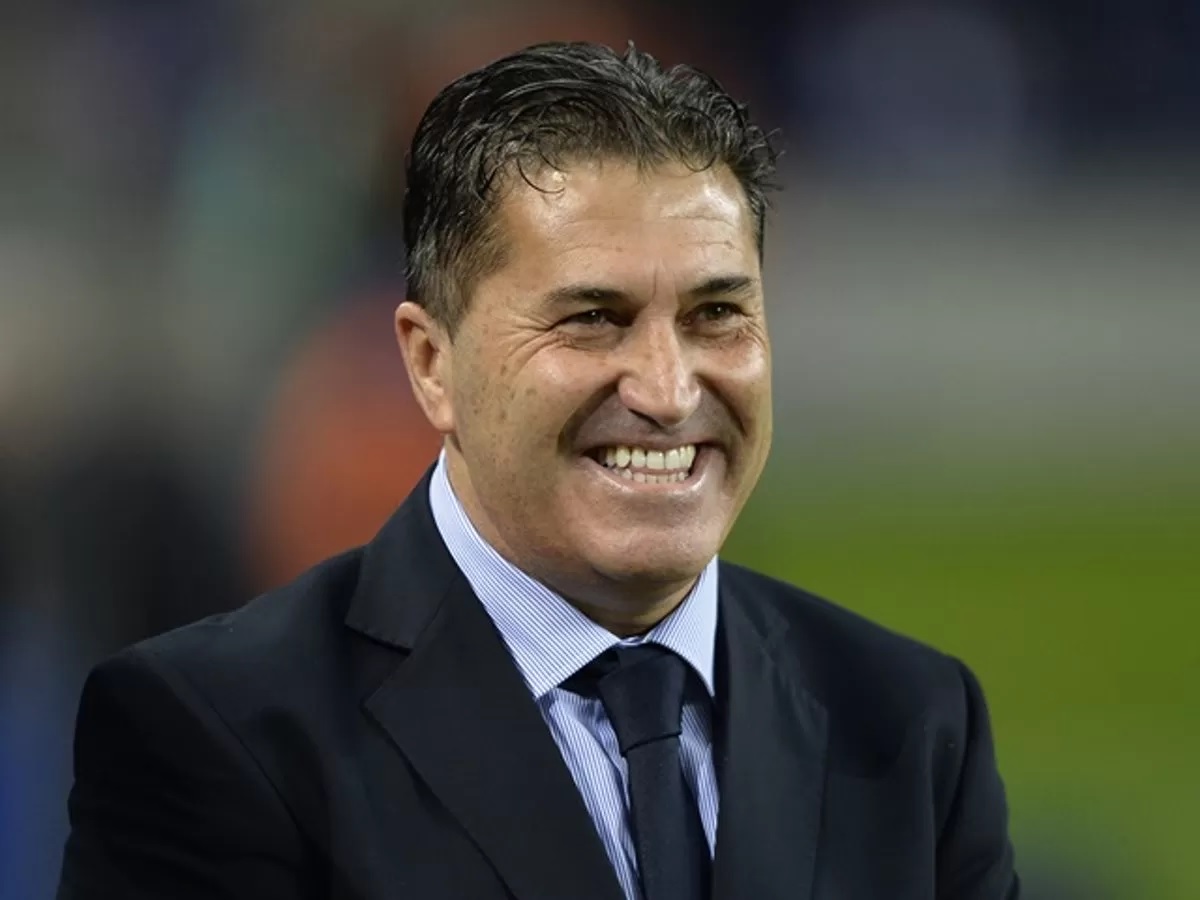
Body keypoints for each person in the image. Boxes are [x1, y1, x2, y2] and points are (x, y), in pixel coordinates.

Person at [57, 42, 1019, 899]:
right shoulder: (215, 734)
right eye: (592, 318)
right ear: (432, 364)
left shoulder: (912, 723)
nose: (668, 389)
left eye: (716, 314)